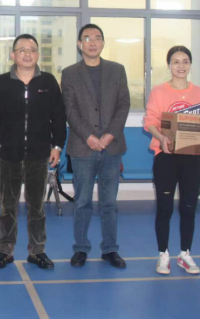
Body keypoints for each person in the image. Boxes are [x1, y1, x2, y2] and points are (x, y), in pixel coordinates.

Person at [0, 34, 66, 269]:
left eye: (32, 50)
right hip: (8, 154)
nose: (27, 54)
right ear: (13, 55)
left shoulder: (48, 82)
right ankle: (5, 250)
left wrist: (57, 146)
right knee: (7, 206)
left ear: (38, 55)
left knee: (37, 207)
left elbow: (59, 117)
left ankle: (37, 251)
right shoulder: (1, 82)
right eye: (22, 50)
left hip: (39, 155)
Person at [61, 24, 130, 269]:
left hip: (112, 148)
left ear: (103, 43)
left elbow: (123, 105)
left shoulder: (117, 70)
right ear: (79, 44)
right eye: (87, 38)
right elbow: (69, 109)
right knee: (82, 202)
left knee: (109, 203)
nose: (92, 42)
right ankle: (80, 248)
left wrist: (109, 135)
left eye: (97, 38)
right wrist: (89, 136)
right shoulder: (70, 73)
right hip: (83, 147)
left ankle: (110, 249)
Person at [144, 46, 200, 275]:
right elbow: (150, 121)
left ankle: (185, 254)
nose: (181, 66)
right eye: (176, 61)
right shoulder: (159, 92)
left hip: (192, 159)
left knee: (189, 207)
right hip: (166, 158)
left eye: (185, 61)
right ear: (169, 65)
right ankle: (163, 255)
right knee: (165, 208)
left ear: (190, 65)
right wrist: (161, 137)